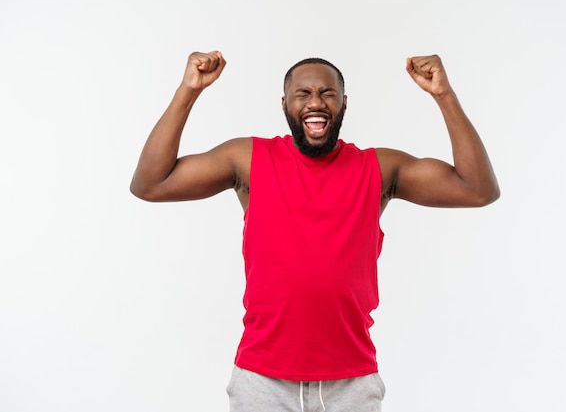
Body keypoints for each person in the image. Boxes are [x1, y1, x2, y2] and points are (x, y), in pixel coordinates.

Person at [130, 50, 500, 412]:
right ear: (284, 104)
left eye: (327, 93)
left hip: (350, 383)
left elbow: (478, 189)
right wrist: (188, 91)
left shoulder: (379, 168)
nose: (315, 103)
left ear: (343, 103)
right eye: (303, 94)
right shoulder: (248, 159)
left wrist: (443, 95)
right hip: (263, 380)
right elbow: (151, 184)